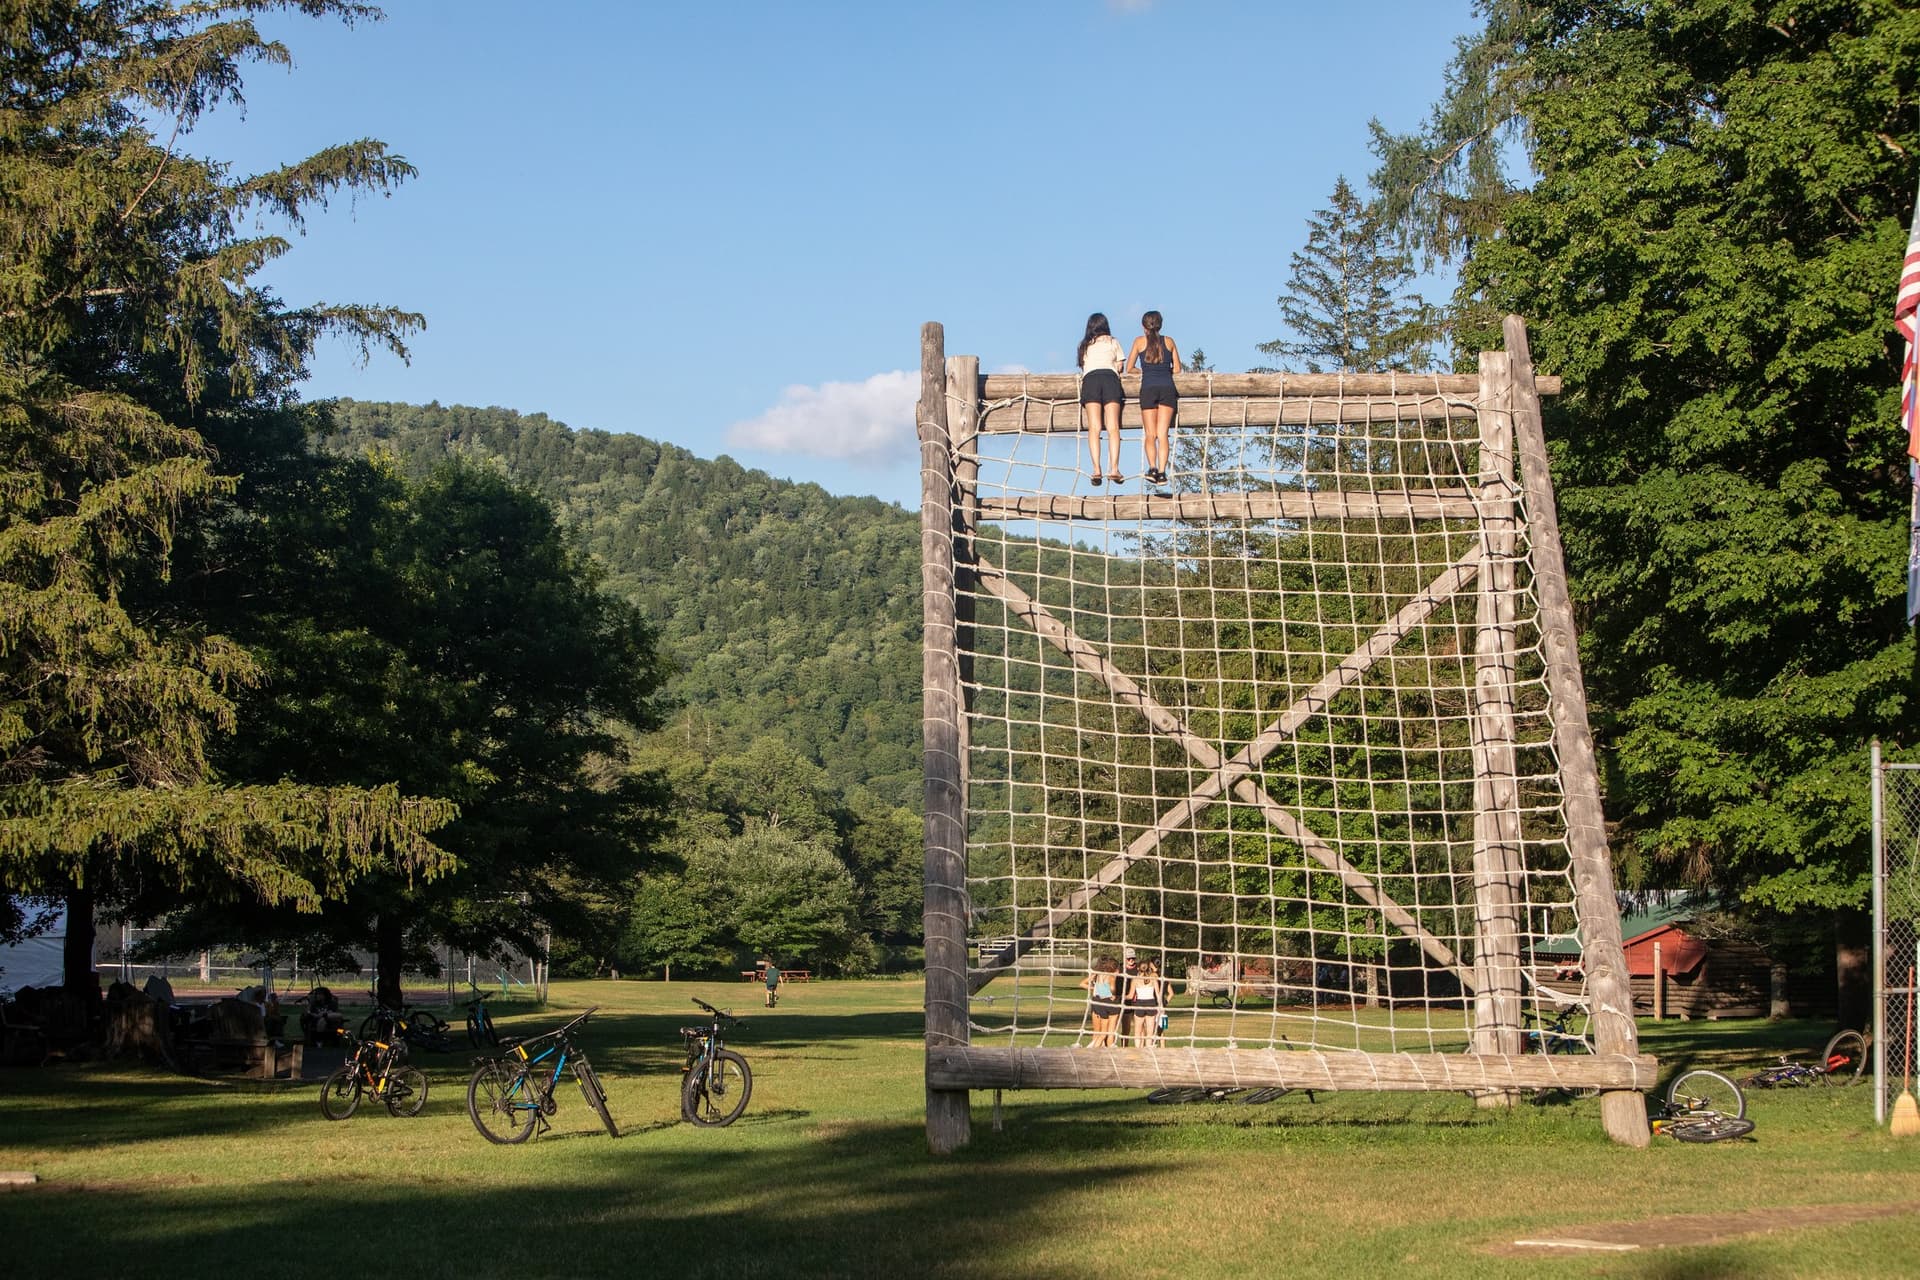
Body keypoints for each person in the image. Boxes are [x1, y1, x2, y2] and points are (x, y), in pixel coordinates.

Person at [1126, 310, 1181, 487]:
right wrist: (1164, 371)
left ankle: (1152, 468)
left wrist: (1144, 371)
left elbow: (1129, 368)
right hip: (1167, 387)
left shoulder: (1139, 342)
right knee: (1163, 433)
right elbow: (1178, 369)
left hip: (1148, 387)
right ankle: (1163, 472)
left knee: (1150, 434)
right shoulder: (1169, 341)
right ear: (1160, 325)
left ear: (1144, 327)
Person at [1077, 313, 1126, 485]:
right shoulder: (1113, 342)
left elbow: (1084, 365)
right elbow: (1120, 366)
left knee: (1094, 427)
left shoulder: (1084, 346)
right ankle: (1113, 468)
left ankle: (1096, 469)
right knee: (1113, 427)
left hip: (1090, 380)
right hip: (1110, 378)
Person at [1080, 956, 1123, 1047]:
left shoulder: (1098, 974)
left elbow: (1083, 984)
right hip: (1110, 1003)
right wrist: (1114, 994)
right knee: (1110, 1032)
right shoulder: (1111, 976)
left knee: (1102, 1033)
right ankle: (1107, 1051)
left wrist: (1094, 988)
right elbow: (1112, 988)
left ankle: (1094, 1050)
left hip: (1100, 1003)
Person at [1127, 960, 1167, 1047]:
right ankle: (1149, 1048)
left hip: (1139, 1005)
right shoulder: (1153, 979)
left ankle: (1138, 1050)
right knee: (1150, 1032)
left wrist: (1120, 997)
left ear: (1138, 968)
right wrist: (1161, 1007)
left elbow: (1130, 996)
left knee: (1137, 1032)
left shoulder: (1135, 980)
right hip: (1151, 1004)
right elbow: (1158, 994)